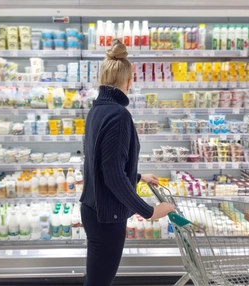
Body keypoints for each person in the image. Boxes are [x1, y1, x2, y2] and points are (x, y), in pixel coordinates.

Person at [80, 39, 176, 286]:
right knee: (99, 282)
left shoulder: (96, 110)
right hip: (107, 216)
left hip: (93, 209)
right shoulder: (118, 114)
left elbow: (102, 164)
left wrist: (137, 177)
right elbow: (111, 174)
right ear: (130, 81)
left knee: (95, 277)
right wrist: (151, 211)